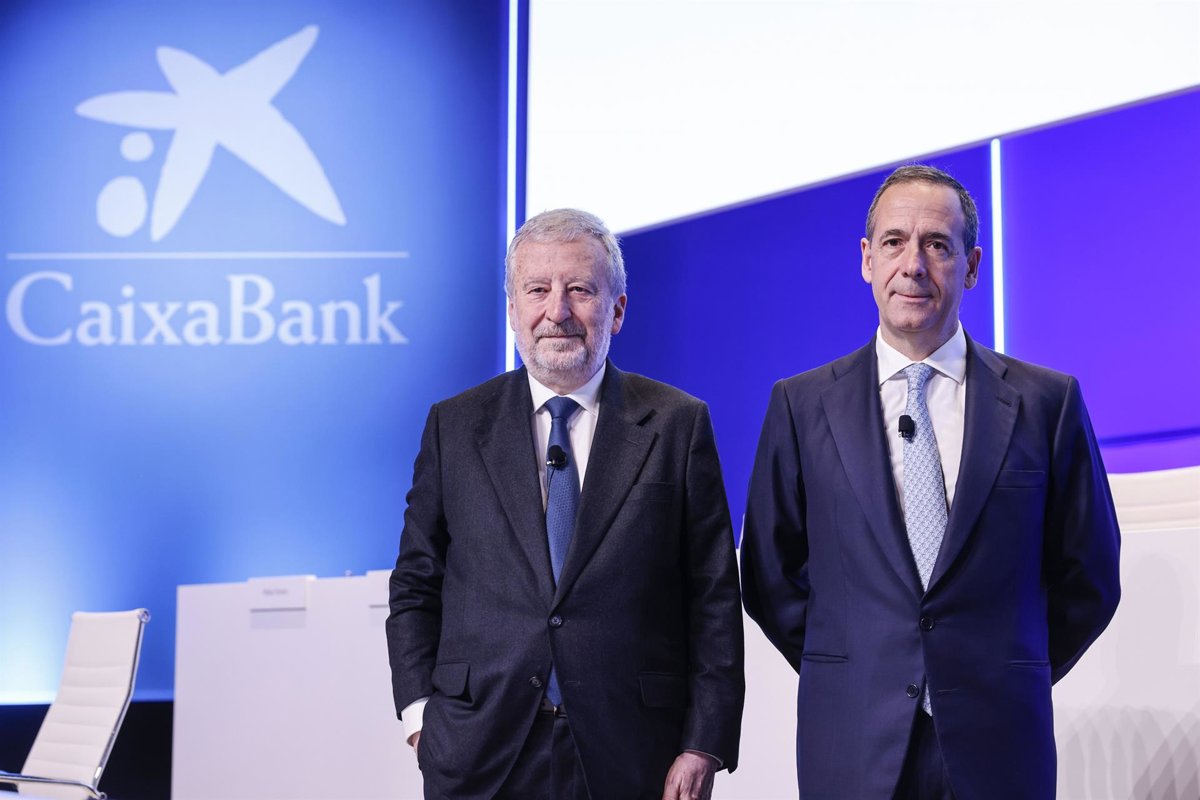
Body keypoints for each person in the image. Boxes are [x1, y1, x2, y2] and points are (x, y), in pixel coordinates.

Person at [740, 165, 1121, 799]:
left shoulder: (1047, 403)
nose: (913, 265)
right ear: (867, 260)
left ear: (971, 266)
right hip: (852, 745)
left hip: (999, 742)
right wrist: (863, 667)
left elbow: (1091, 577)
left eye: (937, 245)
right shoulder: (800, 406)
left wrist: (1001, 670)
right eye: (894, 242)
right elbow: (769, 574)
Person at [386, 208, 744, 800]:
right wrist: (421, 718)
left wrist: (704, 742)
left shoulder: (678, 423)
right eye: (537, 290)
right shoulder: (454, 425)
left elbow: (713, 597)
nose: (557, 311)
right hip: (478, 752)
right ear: (512, 310)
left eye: (580, 289)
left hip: (635, 753)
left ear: (617, 310)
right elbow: (415, 584)